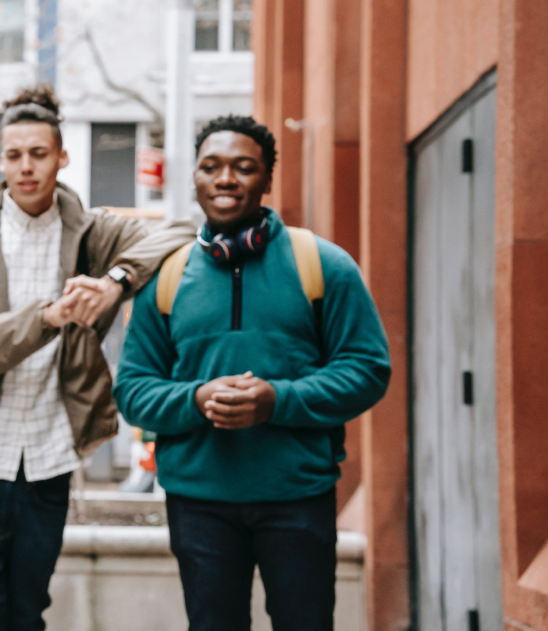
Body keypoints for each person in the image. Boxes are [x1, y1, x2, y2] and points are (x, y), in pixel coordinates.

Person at [114, 115, 391, 631]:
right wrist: (195, 400)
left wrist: (277, 400)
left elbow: (368, 368)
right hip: (199, 503)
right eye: (211, 166)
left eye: (244, 167)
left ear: (267, 179)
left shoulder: (323, 265)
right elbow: (132, 390)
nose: (225, 179)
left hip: (298, 497)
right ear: (193, 178)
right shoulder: (168, 279)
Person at [0, 84, 196, 631]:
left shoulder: (91, 230)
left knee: (29, 613)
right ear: (2, 160)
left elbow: (180, 231)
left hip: (50, 457)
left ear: (62, 156)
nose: (26, 167)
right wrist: (49, 316)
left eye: (38, 153)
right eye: (14, 155)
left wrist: (115, 282)